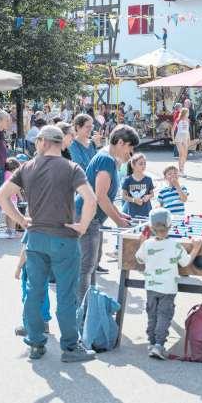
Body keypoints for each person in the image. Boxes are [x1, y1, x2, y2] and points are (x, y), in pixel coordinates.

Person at [0, 125, 98, 362]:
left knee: (35, 292)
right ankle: (70, 347)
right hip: (64, 238)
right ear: (60, 143)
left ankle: (35, 343)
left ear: (42, 141)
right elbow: (90, 200)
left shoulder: (27, 167)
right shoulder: (72, 168)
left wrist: (21, 220)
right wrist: (82, 226)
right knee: (66, 294)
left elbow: (1, 196)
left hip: (36, 238)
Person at [76, 125, 138, 303]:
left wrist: (120, 215)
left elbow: (107, 197)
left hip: (91, 218)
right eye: (130, 147)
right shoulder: (106, 160)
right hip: (87, 218)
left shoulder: (108, 158)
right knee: (86, 268)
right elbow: (101, 196)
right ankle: (82, 311)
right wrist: (118, 220)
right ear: (120, 142)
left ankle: (88, 308)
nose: (130, 153)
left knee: (89, 267)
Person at [136, 208, 202, 360]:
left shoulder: (147, 244)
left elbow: (139, 259)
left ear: (151, 228)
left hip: (151, 286)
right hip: (167, 288)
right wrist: (196, 248)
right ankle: (159, 345)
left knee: (152, 315)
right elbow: (185, 262)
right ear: (170, 226)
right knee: (164, 315)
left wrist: (142, 241)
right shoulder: (175, 245)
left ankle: (151, 343)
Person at [121, 153, 154, 219]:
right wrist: (134, 200)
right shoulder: (127, 180)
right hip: (132, 213)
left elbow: (152, 194)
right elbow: (124, 196)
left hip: (147, 212)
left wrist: (148, 196)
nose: (143, 166)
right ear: (133, 165)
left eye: (145, 163)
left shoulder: (148, 179)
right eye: (141, 164)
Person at [3, 158, 24, 234]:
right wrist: (21, 197)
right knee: (13, 215)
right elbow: (16, 188)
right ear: (14, 168)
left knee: (7, 214)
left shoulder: (5, 174)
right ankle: (13, 231)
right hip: (12, 198)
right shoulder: (12, 176)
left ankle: (8, 230)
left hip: (6, 198)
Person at [173, 108, 191, 177]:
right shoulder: (178, 120)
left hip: (185, 138)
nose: (188, 114)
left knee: (185, 155)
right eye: (187, 112)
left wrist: (189, 139)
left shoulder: (188, 120)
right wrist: (173, 138)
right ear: (184, 113)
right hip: (179, 137)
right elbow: (173, 129)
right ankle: (181, 170)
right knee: (181, 154)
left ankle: (182, 169)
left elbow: (188, 130)